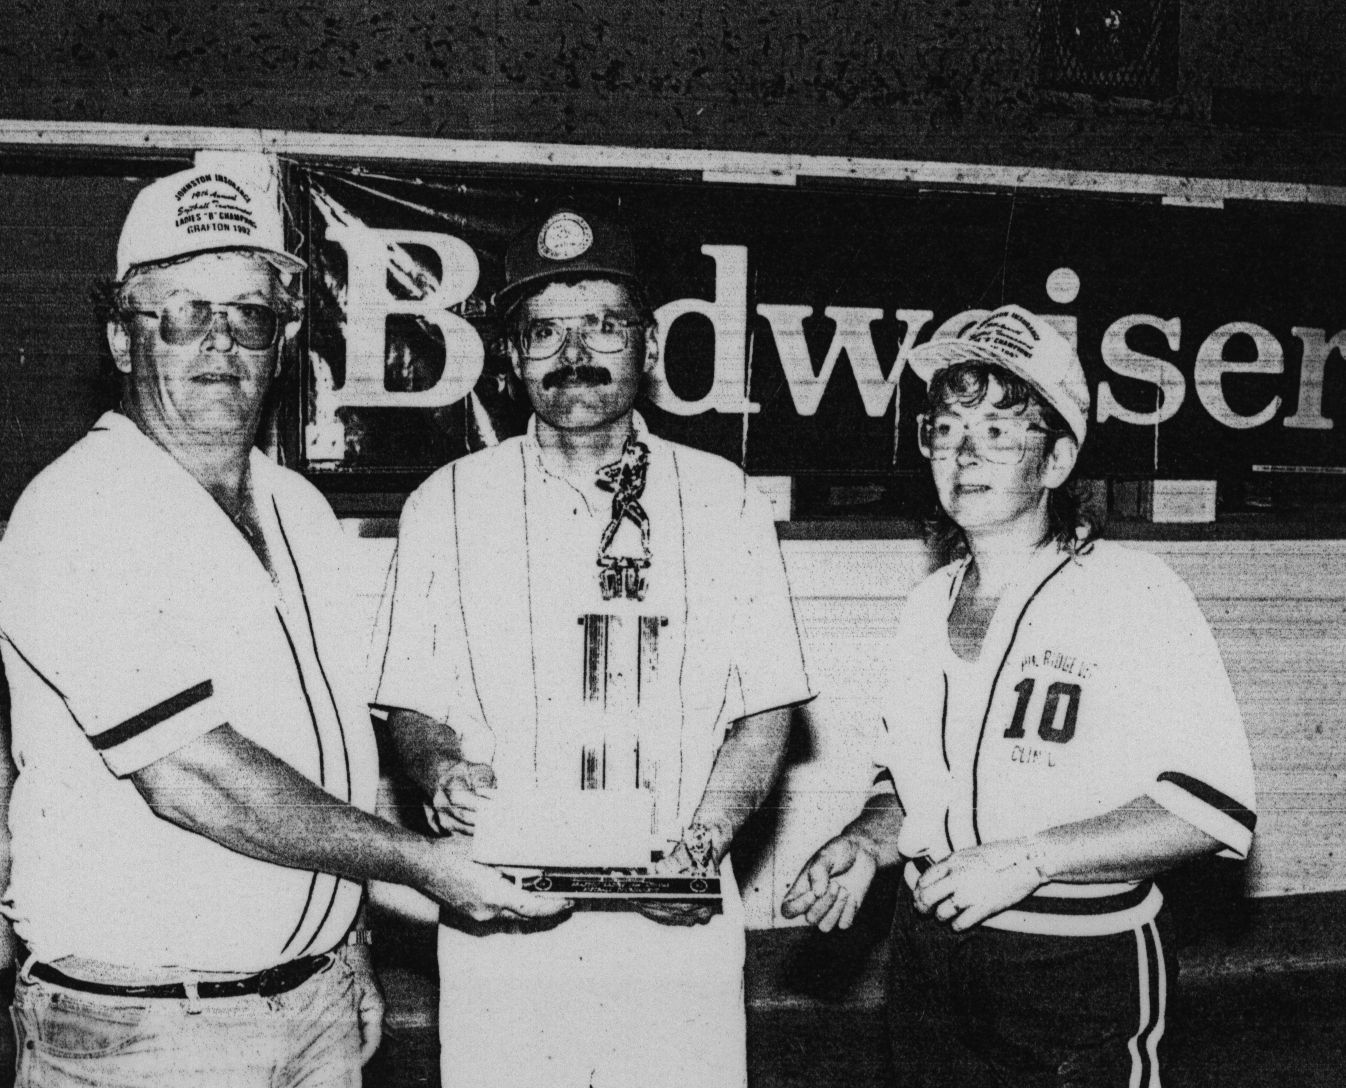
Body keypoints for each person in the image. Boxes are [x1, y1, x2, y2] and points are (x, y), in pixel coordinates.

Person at [0, 157, 564, 1088]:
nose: (220, 343)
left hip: (313, 1006)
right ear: (120, 334)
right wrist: (425, 867)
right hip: (152, 1030)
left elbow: (332, 747)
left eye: (251, 314)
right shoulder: (79, 510)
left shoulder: (298, 506)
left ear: (284, 335)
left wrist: (348, 957)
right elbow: (194, 778)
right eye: (184, 310)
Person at [376, 206, 814, 1088]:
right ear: (510, 360)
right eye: (543, 331)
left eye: (603, 325)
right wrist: (440, 771)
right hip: (504, 916)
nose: (574, 352)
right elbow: (412, 707)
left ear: (648, 348)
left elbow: (763, 715)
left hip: (672, 919)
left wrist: (708, 839)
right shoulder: (446, 503)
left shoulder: (725, 500)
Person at [782, 305, 1256, 1087]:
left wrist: (1032, 859)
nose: (964, 454)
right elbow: (906, 783)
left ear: (1060, 459)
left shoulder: (1133, 593)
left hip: (1076, 959)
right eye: (946, 428)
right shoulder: (927, 602)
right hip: (928, 948)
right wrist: (867, 843)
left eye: (1002, 430)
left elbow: (1208, 810)